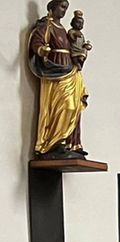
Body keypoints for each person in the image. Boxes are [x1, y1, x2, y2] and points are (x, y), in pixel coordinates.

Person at [28, 0, 87, 157]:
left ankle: (71, 143)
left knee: (75, 107)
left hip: (70, 69)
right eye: (61, 7)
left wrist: (81, 52)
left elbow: (74, 48)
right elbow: (37, 41)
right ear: (52, 7)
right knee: (63, 106)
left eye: (66, 8)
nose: (64, 11)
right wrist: (41, 50)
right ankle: (54, 141)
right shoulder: (47, 26)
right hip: (55, 70)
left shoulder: (67, 31)